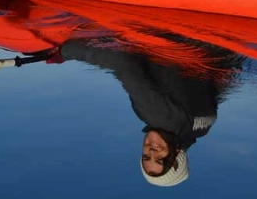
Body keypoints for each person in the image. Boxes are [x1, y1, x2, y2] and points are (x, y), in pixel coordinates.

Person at [59, 34, 244, 188]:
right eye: (161, 159)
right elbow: (123, 63)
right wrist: (66, 51)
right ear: (176, 158)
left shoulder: (203, 128)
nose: (151, 151)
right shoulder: (158, 116)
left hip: (217, 44)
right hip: (178, 37)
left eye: (146, 156)